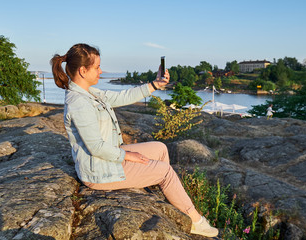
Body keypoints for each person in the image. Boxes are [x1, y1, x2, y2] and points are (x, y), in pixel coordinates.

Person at [50, 43, 218, 237]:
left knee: (160, 148)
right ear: (82, 70)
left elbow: (123, 96)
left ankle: (159, 188)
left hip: (108, 159)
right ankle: (195, 220)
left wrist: (155, 85)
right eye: (97, 67)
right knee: (165, 171)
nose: (101, 71)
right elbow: (96, 147)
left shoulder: (90, 93)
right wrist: (128, 156)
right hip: (99, 171)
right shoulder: (78, 102)